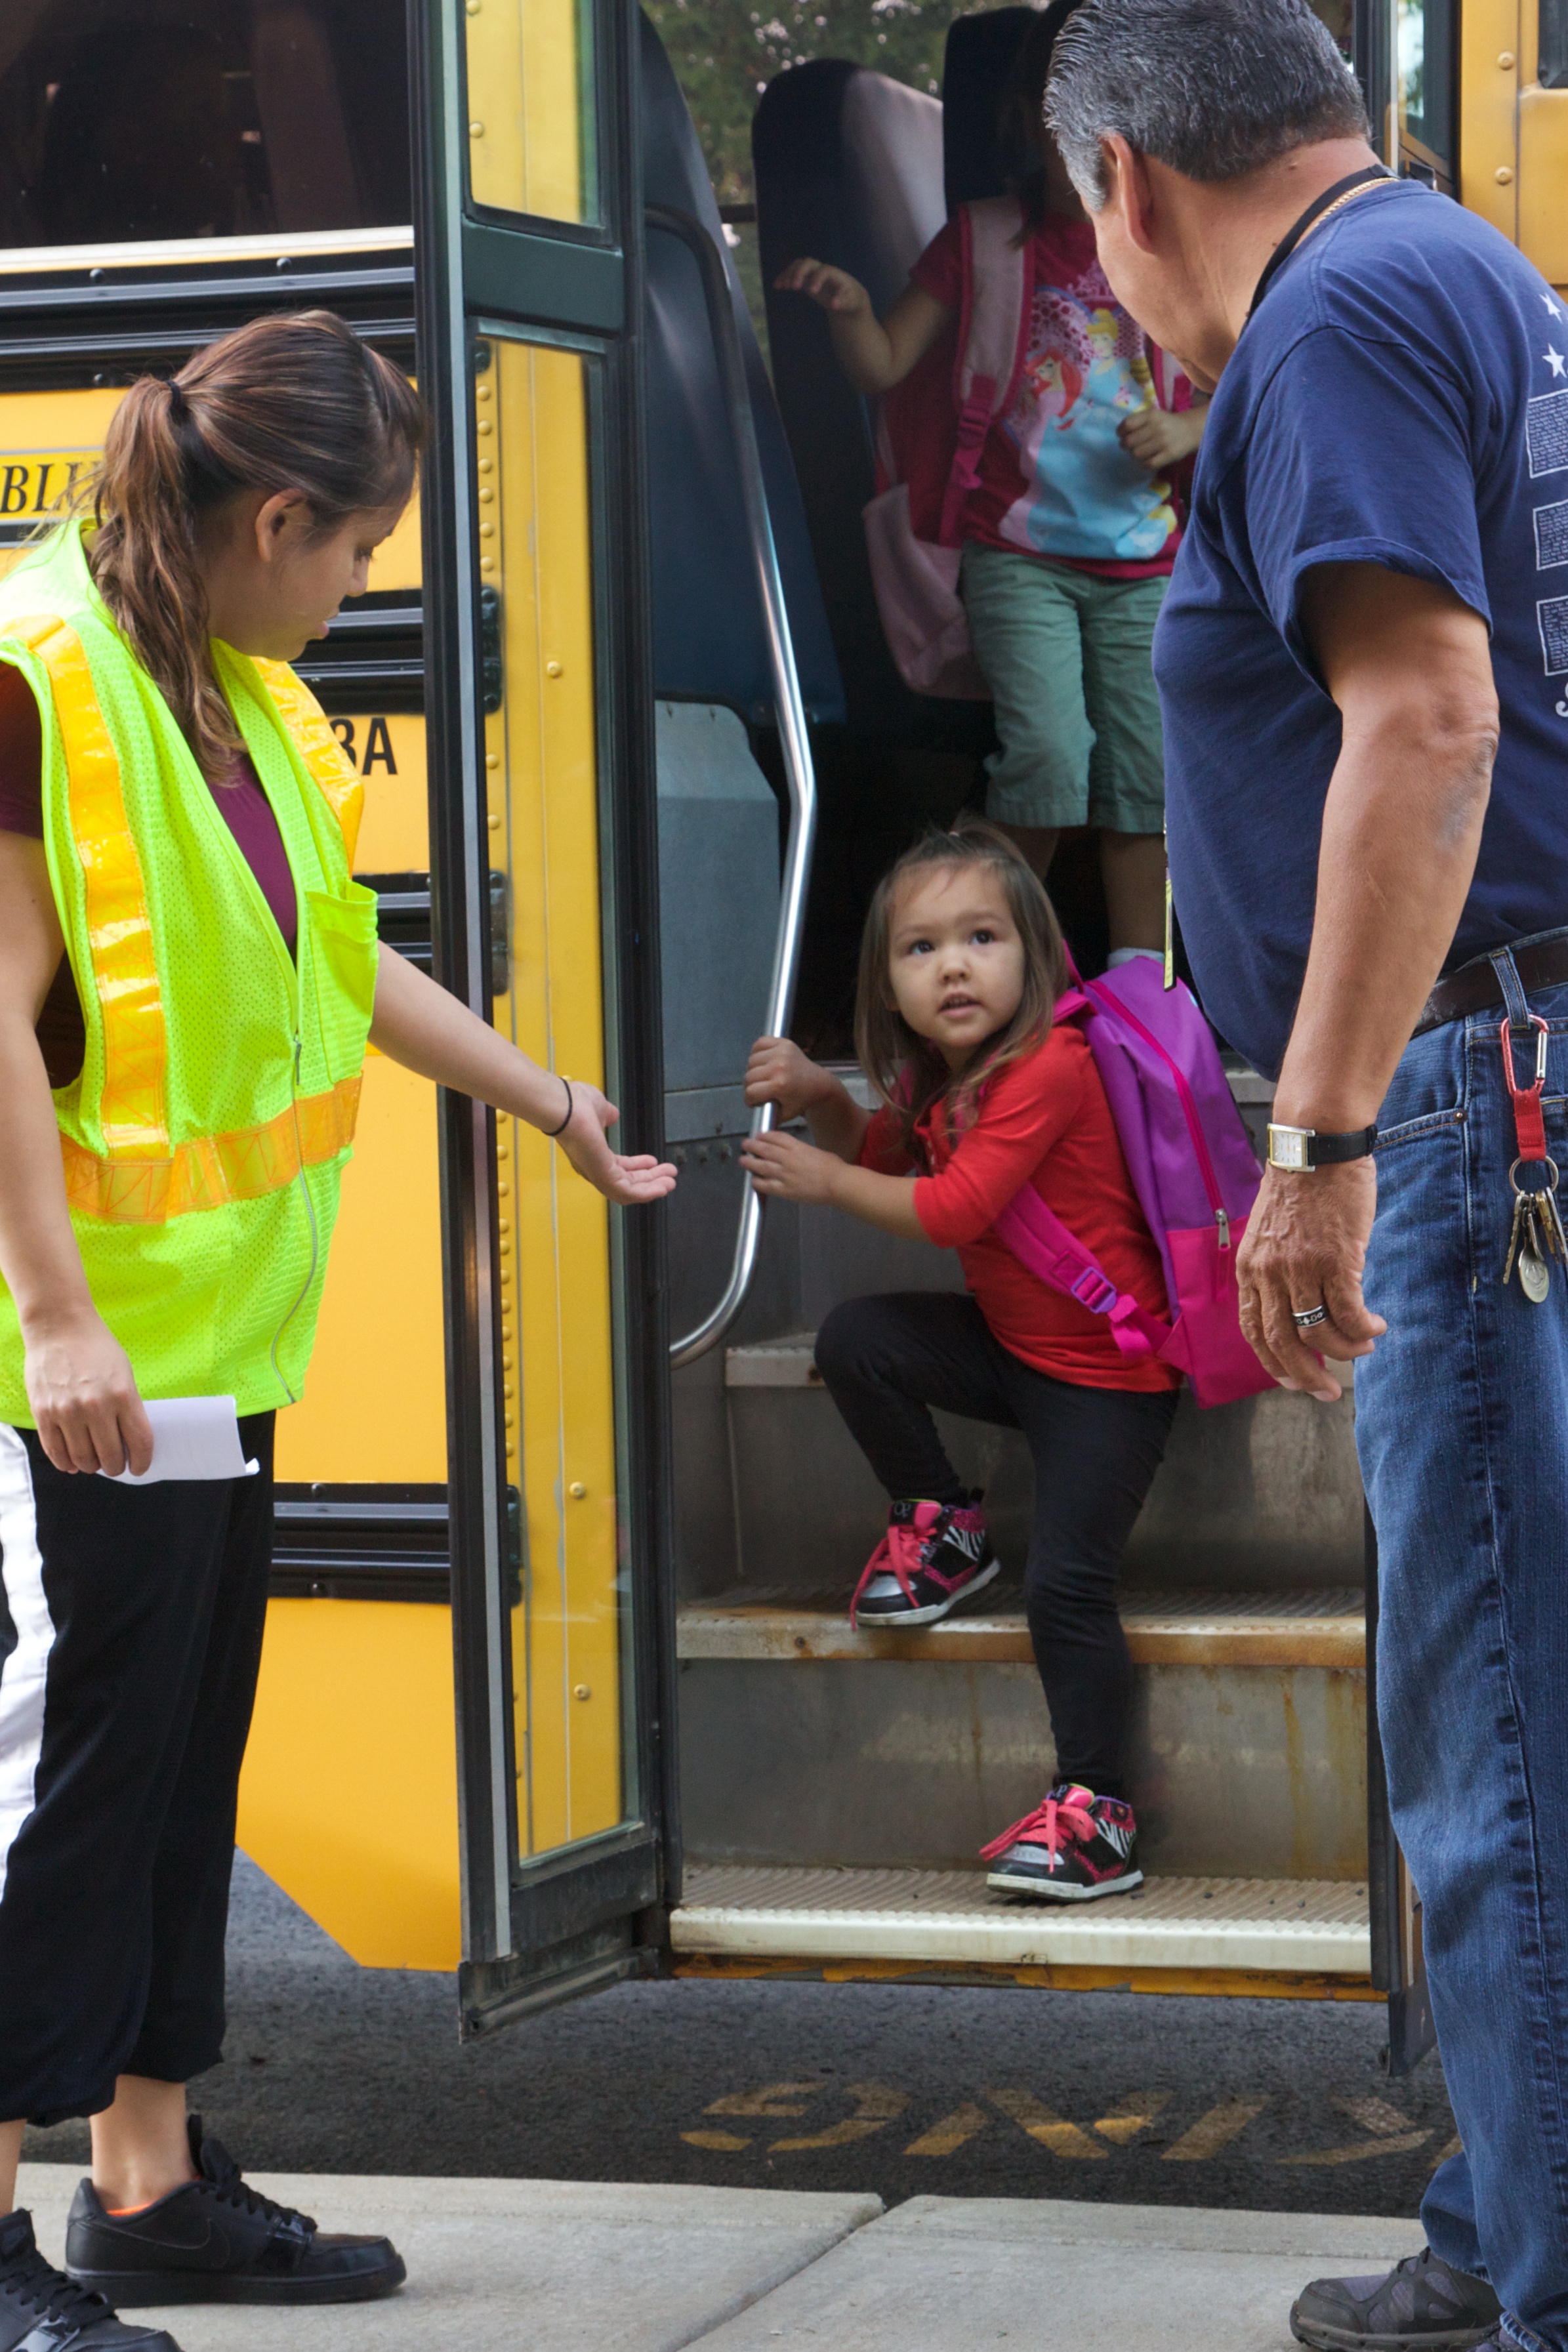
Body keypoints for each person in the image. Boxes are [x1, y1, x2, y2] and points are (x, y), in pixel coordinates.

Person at [0, 310, 674, 2352]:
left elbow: (337, 966)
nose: (366, 584)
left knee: (180, 1763)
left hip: (219, 1348)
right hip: (80, 1368)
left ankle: (150, 2180)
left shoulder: (233, 689)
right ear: (275, 514)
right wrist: (55, 1324)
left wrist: (545, 1098)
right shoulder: (49, 677)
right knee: (62, 1790)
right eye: (362, 546)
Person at [1046, 2, 1568, 2346]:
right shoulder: (1472, 271)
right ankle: (1500, 2216)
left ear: (1125, 183)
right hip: (1514, 1054)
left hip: (1465, 1091)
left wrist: (1324, 1140)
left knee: (1495, 1746)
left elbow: (1431, 712)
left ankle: (1543, 2281)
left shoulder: (1331, 314)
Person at [741, 818, 1178, 1901]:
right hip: (1018, 1353)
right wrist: (825, 1098)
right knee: (858, 1341)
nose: (952, 966)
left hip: (1106, 1384)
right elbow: (890, 1149)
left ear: (1032, 953)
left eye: (981, 936)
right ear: (888, 984)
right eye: (920, 948)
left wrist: (820, 1177)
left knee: (1066, 1591)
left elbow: (953, 1207)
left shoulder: (1047, 1065)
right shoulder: (951, 1077)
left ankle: (1097, 1810)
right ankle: (942, 1521)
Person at [774, 0, 1206, 954]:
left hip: (1147, 560)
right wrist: (849, 310)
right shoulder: (979, 242)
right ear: (1024, 128)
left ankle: (1142, 987)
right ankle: (959, 954)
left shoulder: (1169, 250)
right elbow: (885, 364)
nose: (1086, 164)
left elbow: (1245, 379)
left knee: (1144, 779)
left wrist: (1187, 426)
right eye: (1063, 134)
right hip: (1019, 554)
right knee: (1049, 759)